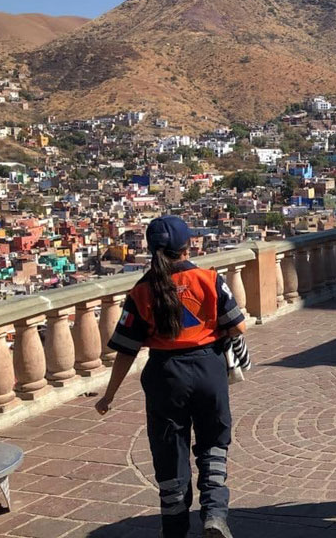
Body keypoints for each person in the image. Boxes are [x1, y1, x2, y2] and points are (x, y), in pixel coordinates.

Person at [95, 215, 246, 538]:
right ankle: (214, 513)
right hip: (208, 368)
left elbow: (126, 350)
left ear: (149, 249)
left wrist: (109, 396)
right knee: (213, 443)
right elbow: (237, 325)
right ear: (188, 245)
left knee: (169, 450)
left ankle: (175, 527)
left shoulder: (141, 291)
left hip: (165, 375)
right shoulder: (209, 279)